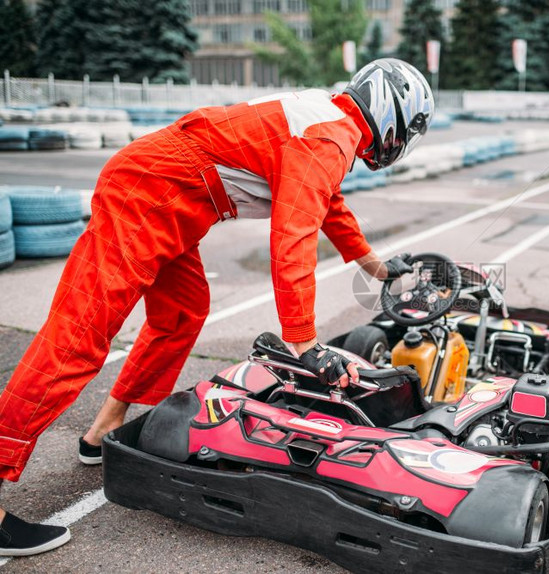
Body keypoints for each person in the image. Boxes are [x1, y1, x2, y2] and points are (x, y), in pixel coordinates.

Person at [0, 58, 433, 556]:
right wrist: (304, 342)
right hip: (148, 193)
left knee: (183, 311)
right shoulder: (329, 137)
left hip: (172, 196)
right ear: (394, 115)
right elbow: (292, 237)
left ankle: (103, 430)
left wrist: (377, 267)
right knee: (78, 338)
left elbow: (327, 206)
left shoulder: (331, 121)